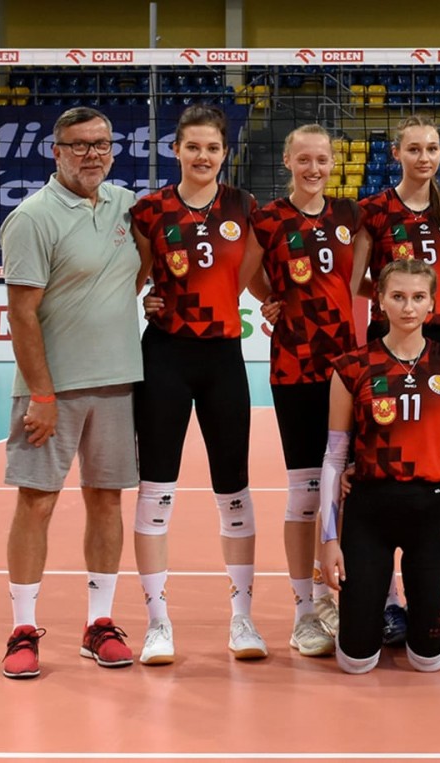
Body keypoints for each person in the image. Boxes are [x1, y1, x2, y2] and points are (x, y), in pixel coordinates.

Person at [0, 106, 141, 679]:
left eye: (101, 144)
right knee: (37, 501)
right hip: (52, 390)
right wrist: (41, 393)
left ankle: (98, 624)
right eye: (78, 145)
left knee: (107, 501)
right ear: (56, 152)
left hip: (117, 383)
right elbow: (21, 313)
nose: (91, 154)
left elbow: (136, 274)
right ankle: (22, 629)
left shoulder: (126, 204)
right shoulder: (31, 218)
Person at [131, 103, 266, 664]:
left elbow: (251, 279)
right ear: (176, 150)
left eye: (213, 147)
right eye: (193, 147)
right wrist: (146, 297)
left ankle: (243, 619)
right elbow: (133, 280)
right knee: (156, 488)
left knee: (233, 488)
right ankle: (157, 624)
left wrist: (279, 305)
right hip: (165, 356)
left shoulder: (245, 206)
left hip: (223, 358)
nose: (203, 156)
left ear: (225, 152)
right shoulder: (149, 211)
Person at [248, 124, 368, 656]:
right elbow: (249, 275)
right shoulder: (268, 219)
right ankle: (304, 612)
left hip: (345, 366)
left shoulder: (349, 215)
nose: (314, 168)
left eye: (322, 159)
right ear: (288, 162)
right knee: (304, 490)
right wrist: (270, 299)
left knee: (342, 486)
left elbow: (354, 279)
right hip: (294, 364)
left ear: (333, 163)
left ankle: (332, 596)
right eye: (304, 159)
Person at [318, 259, 440, 674]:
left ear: (432, 304)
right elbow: (334, 457)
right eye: (398, 296)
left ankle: (421, 619)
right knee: (356, 661)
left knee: (429, 660)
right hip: (369, 510)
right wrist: (328, 540)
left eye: (418, 297)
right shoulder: (352, 367)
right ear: (380, 301)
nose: (408, 307)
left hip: (431, 510)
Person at [358, 114, 440, 645]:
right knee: (381, 459)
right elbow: (356, 278)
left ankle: (436, 600)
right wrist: (396, 303)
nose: (424, 157)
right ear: (396, 154)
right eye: (414, 148)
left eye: (432, 148)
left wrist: (432, 306)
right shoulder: (374, 210)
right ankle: (387, 602)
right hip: (388, 340)